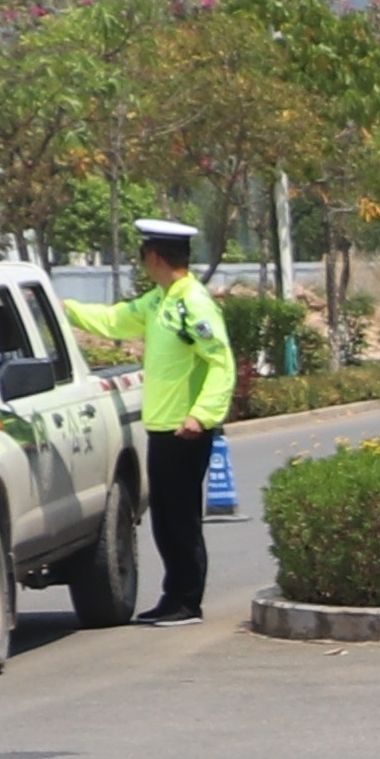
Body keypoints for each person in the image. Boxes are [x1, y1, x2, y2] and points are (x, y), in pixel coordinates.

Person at [67, 219, 236, 621]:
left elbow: (221, 362)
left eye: (144, 256)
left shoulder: (190, 303)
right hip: (164, 428)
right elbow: (115, 320)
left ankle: (187, 599)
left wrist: (202, 415)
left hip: (185, 429)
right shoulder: (160, 301)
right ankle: (174, 595)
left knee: (180, 520)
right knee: (164, 518)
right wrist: (65, 311)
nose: (142, 264)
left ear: (156, 257)